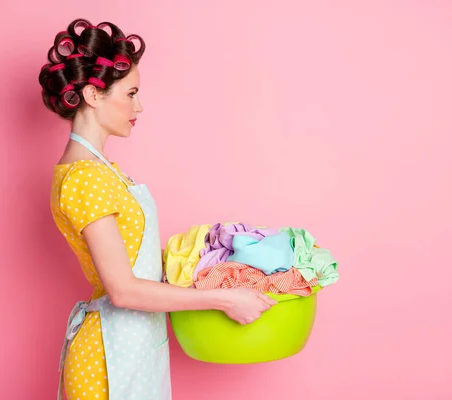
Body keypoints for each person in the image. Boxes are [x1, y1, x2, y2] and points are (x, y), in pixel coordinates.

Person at [40, 18, 277, 400]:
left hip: (135, 343)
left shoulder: (101, 172)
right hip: (110, 357)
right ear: (92, 95)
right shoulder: (85, 178)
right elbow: (124, 290)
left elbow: (135, 259)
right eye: (131, 93)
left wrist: (211, 266)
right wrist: (225, 299)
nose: (140, 106)